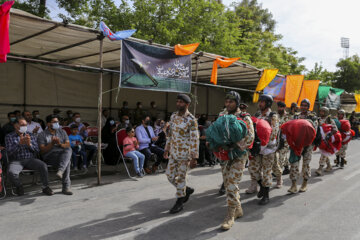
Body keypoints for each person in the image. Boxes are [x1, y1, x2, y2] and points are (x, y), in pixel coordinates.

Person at [216, 91, 254, 230]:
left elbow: (250, 138)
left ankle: (230, 214)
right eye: (227, 101)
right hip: (224, 156)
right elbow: (217, 130)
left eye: (231, 102)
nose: (228, 104)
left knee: (232, 183)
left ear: (237, 102)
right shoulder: (222, 115)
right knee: (227, 184)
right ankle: (238, 208)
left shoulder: (245, 117)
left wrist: (235, 145)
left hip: (239, 155)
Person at [164, 94, 199, 214]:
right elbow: (170, 134)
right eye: (177, 101)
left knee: (180, 178)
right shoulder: (173, 116)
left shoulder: (191, 119)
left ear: (187, 104)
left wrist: (194, 157)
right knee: (169, 176)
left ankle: (179, 202)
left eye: (181, 102)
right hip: (173, 152)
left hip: (185, 155)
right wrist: (166, 149)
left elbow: (195, 139)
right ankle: (186, 190)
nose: (178, 104)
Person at [5, 117, 53, 196]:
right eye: (22, 125)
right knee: (11, 172)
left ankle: (45, 187)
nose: (24, 127)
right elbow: (9, 153)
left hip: (30, 159)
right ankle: (19, 186)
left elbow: (37, 150)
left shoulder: (30, 134)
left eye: (25, 125)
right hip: (16, 160)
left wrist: (29, 144)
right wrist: (19, 144)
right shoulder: (9, 136)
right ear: (15, 126)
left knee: (43, 165)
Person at [252, 94, 279, 205]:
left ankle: (266, 196)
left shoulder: (273, 116)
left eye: (262, 102)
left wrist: (264, 144)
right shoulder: (258, 115)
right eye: (260, 101)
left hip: (268, 149)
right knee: (253, 169)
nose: (260, 103)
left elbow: (274, 133)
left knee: (267, 172)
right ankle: (262, 186)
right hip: (258, 148)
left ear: (268, 103)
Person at [38, 115, 73, 195]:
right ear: (48, 124)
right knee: (67, 161)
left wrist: (59, 144)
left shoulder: (62, 132)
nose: (57, 123)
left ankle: (61, 170)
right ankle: (66, 187)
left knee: (68, 150)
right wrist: (52, 144)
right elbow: (42, 151)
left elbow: (68, 145)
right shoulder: (42, 135)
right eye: (54, 122)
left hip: (62, 154)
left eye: (57, 122)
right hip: (50, 156)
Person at [289, 99, 318, 193]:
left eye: (306, 105)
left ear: (308, 106)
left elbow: (315, 131)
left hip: (308, 145)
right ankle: (293, 185)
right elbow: (291, 127)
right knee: (294, 164)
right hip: (297, 144)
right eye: (302, 105)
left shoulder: (313, 117)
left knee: (306, 164)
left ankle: (304, 183)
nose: (304, 107)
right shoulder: (295, 116)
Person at [315, 106, 338, 176]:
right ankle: (329, 165)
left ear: (326, 112)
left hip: (327, 139)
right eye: (321, 111)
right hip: (320, 139)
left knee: (324, 153)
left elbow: (335, 129)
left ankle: (320, 168)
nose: (321, 112)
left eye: (323, 111)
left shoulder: (329, 120)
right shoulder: (318, 119)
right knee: (324, 152)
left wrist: (329, 134)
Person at [272, 101, 290, 187]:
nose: (279, 109)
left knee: (280, 159)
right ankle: (286, 167)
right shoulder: (276, 116)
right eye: (278, 107)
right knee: (282, 157)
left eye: (281, 107)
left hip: (285, 141)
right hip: (277, 140)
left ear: (284, 108)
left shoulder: (288, 117)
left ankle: (278, 176)